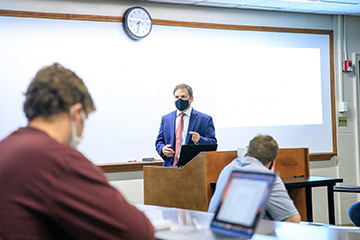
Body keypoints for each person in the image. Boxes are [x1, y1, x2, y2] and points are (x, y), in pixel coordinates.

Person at [0, 63, 155, 240]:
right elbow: (138, 232)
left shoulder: (5, 148)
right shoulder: (57, 160)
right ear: (76, 113)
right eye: (84, 119)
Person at [208, 135, 301, 223]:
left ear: (245, 155)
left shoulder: (228, 168)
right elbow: (292, 220)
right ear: (272, 164)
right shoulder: (268, 176)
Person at [155, 84, 217, 167]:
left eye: (183, 96)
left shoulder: (204, 119)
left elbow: (213, 144)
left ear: (191, 99)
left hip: (194, 170)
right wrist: (163, 149)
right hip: (169, 169)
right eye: (177, 97)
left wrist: (200, 140)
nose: (179, 100)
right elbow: (159, 141)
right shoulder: (166, 119)